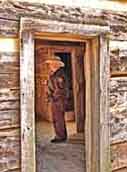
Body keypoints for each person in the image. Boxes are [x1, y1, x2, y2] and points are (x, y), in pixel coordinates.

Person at [46, 56, 67, 143]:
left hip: (58, 100)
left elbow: (60, 90)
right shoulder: (54, 74)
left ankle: (60, 136)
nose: (50, 65)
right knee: (56, 118)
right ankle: (60, 135)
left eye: (51, 64)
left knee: (58, 119)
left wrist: (53, 98)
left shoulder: (59, 75)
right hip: (55, 100)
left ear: (56, 65)